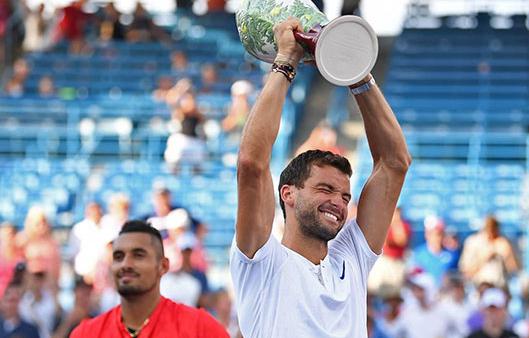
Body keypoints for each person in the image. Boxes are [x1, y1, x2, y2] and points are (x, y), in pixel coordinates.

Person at [230, 17, 411, 338]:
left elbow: (395, 163)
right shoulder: (262, 261)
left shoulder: (351, 260)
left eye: (344, 196)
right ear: (288, 193)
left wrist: (355, 72)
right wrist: (285, 62)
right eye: (325, 189)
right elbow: (252, 163)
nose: (338, 203)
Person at [70, 221, 228, 337]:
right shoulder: (87, 333)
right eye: (118, 257)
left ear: (163, 266)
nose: (126, 264)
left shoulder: (200, 328)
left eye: (138, 255)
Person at [460, 215, 519, 288]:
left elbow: (513, 270)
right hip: (479, 288)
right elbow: (466, 272)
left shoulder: (502, 242)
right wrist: (486, 257)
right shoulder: (472, 243)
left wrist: (508, 254)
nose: (491, 231)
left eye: (494, 228)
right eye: (488, 228)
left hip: (499, 288)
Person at [367, 206, 411, 292]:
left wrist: (396, 224)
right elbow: (382, 242)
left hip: (397, 263)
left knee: (394, 292)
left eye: (397, 212)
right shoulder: (384, 224)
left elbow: (401, 240)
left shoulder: (404, 225)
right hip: (384, 260)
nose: (395, 214)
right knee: (374, 289)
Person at [410, 215, 460, 286]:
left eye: (440, 234)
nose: (438, 238)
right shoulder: (418, 254)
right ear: (426, 234)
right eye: (435, 234)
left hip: (446, 294)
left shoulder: (452, 255)